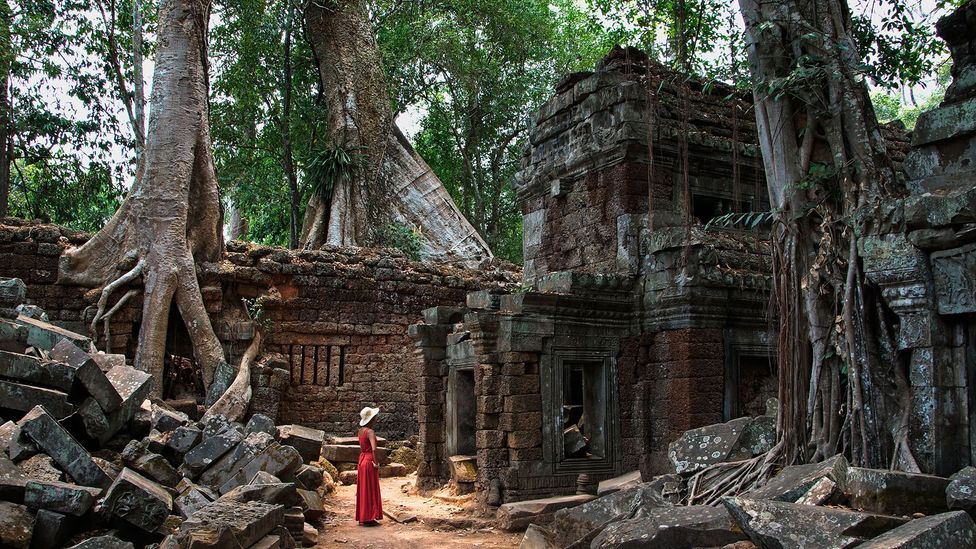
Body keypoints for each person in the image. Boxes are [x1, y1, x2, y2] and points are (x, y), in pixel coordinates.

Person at [356, 406, 383, 525]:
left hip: (362, 461)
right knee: (370, 488)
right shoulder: (370, 432)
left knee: (364, 488)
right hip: (369, 461)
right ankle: (370, 516)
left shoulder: (361, 431)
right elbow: (374, 449)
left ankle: (364, 515)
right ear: (371, 419)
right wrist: (376, 462)